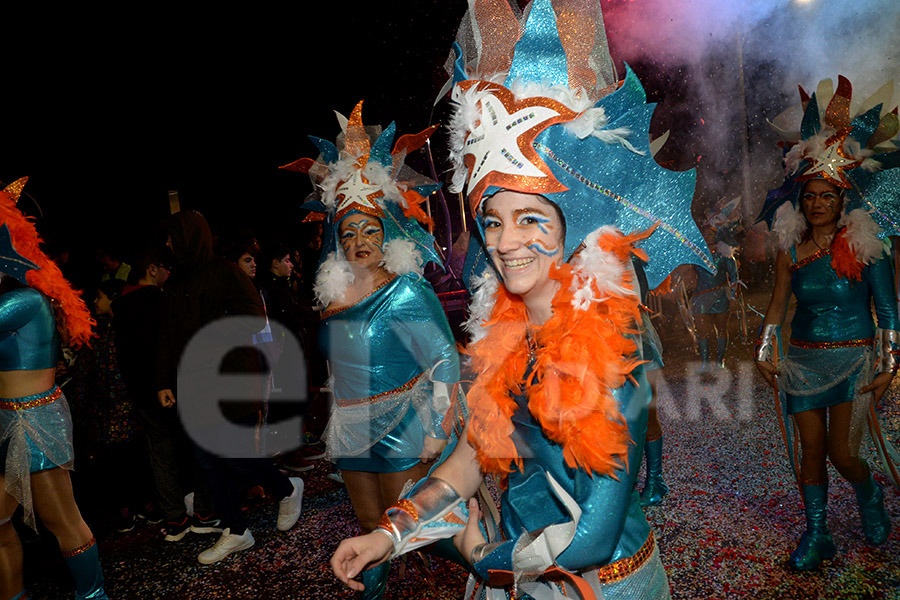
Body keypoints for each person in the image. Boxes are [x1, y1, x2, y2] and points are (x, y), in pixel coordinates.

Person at [329, 1, 713, 597]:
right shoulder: (506, 336)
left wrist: (483, 556)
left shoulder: (614, 345)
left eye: (531, 218)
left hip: (604, 587)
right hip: (523, 576)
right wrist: (389, 535)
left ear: (573, 223)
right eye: (493, 219)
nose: (507, 242)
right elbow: (468, 458)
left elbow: (594, 535)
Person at [282, 100, 463, 599]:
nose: (359, 240)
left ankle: (486, 565)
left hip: (405, 423)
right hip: (352, 424)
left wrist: (436, 430)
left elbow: (445, 360)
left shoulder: (406, 291)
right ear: (337, 243)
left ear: (388, 235)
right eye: (349, 232)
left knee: (412, 529)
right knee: (368, 523)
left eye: (370, 229)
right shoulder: (333, 299)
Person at [755, 75, 900, 570]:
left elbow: (889, 310)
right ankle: (817, 533)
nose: (818, 203)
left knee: (843, 453)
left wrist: (890, 363)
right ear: (803, 198)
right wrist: (764, 348)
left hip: (855, 360)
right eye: (811, 195)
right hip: (802, 363)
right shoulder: (790, 252)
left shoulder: (866, 246)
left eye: (828, 196)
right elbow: (778, 304)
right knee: (810, 453)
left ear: (843, 201)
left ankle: (868, 494)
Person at [156, 210, 303, 565]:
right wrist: (164, 381)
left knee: (236, 457)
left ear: (190, 238)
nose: (168, 245)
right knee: (207, 462)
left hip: (230, 382)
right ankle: (237, 530)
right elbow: (168, 338)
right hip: (194, 387)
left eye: (173, 237)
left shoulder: (226, 273)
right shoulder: (175, 284)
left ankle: (286, 488)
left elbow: (254, 319)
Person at [0, 178, 107, 600]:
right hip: (5, 419)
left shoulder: (25, 300)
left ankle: (94, 596)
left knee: (64, 521)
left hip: (34, 421)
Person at [691, 227, 738, 372]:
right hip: (701, 297)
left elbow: (734, 276)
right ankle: (705, 362)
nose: (707, 237)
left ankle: (719, 362)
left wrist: (733, 296)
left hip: (720, 297)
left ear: (716, 237)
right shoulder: (696, 254)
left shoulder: (724, 254)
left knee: (721, 329)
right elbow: (688, 274)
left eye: (711, 234)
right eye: (705, 234)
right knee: (702, 330)